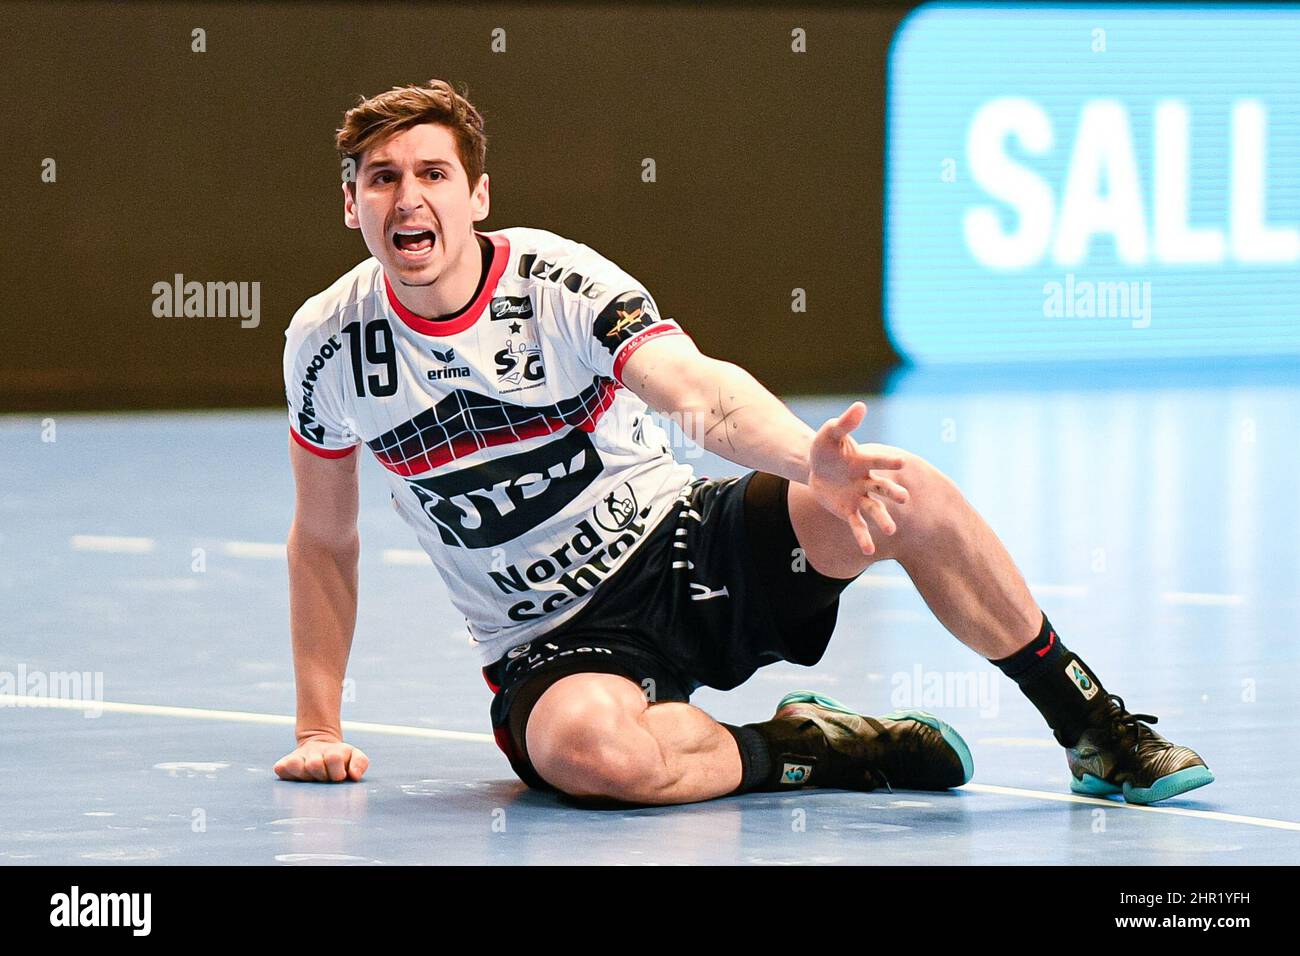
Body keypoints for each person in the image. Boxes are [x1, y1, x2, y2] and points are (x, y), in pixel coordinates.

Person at [273, 79, 1213, 807]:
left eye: (432, 173)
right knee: (591, 756)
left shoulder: (557, 283)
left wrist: (812, 462)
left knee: (902, 491)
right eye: (382, 178)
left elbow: (700, 395)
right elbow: (323, 539)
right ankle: (809, 746)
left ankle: (1095, 730)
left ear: (476, 194)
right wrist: (319, 728)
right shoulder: (327, 348)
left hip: (683, 546)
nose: (408, 198)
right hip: (549, 639)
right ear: (350, 204)